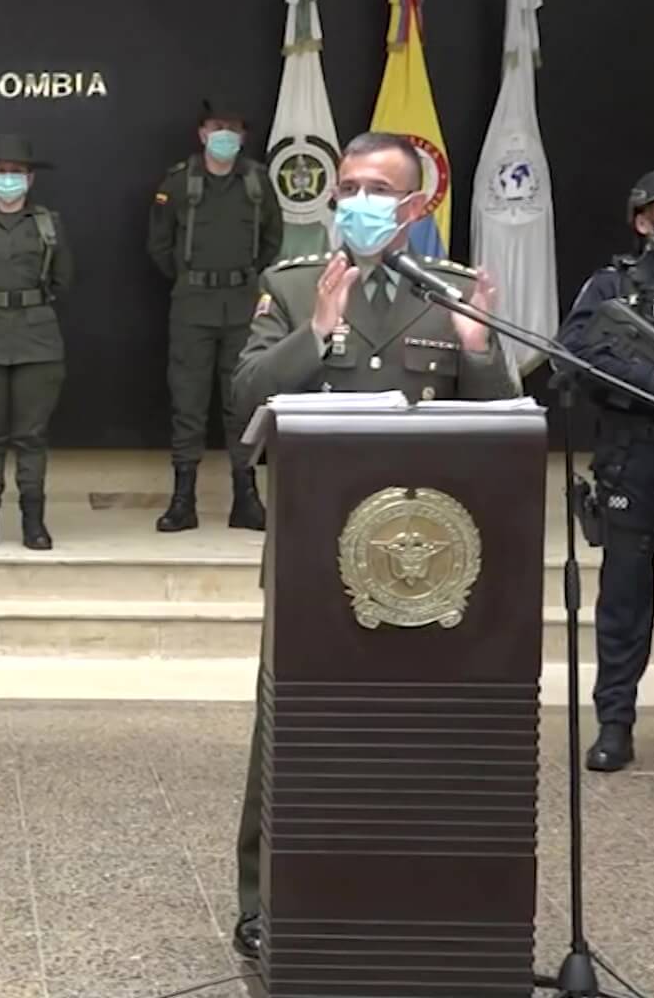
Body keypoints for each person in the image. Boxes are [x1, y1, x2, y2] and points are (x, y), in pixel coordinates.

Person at [228, 131, 516, 959]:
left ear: (417, 205)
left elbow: (497, 428)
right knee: (289, 729)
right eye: (348, 185)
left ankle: (413, 892)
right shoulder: (290, 286)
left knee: (418, 730)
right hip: (314, 558)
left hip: (429, 562)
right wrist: (314, 333)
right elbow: (243, 402)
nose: (356, 200)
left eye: (377, 188)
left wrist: (477, 351)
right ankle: (264, 900)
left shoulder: (454, 292)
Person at [556, 167, 654, 773]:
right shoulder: (612, 286)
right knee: (625, 599)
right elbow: (573, 351)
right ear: (641, 220)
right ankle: (615, 722)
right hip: (635, 457)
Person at [146, 100, 282, 533]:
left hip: (242, 303)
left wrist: (241, 277)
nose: (226, 134)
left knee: (240, 401)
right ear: (202, 132)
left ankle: (246, 498)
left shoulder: (257, 181)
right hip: (192, 304)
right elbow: (159, 244)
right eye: (218, 126)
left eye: (234, 128)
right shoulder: (179, 182)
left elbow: (272, 241)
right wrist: (193, 279)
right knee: (187, 402)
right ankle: (182, 501)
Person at [0, 133, 73, 550]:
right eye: (2, 172)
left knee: (31, 435)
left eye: (17, 173)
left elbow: (63, 279)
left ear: (29, 179)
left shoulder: (47, 225)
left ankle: (33, 524)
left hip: (38, 338)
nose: (9, 180)